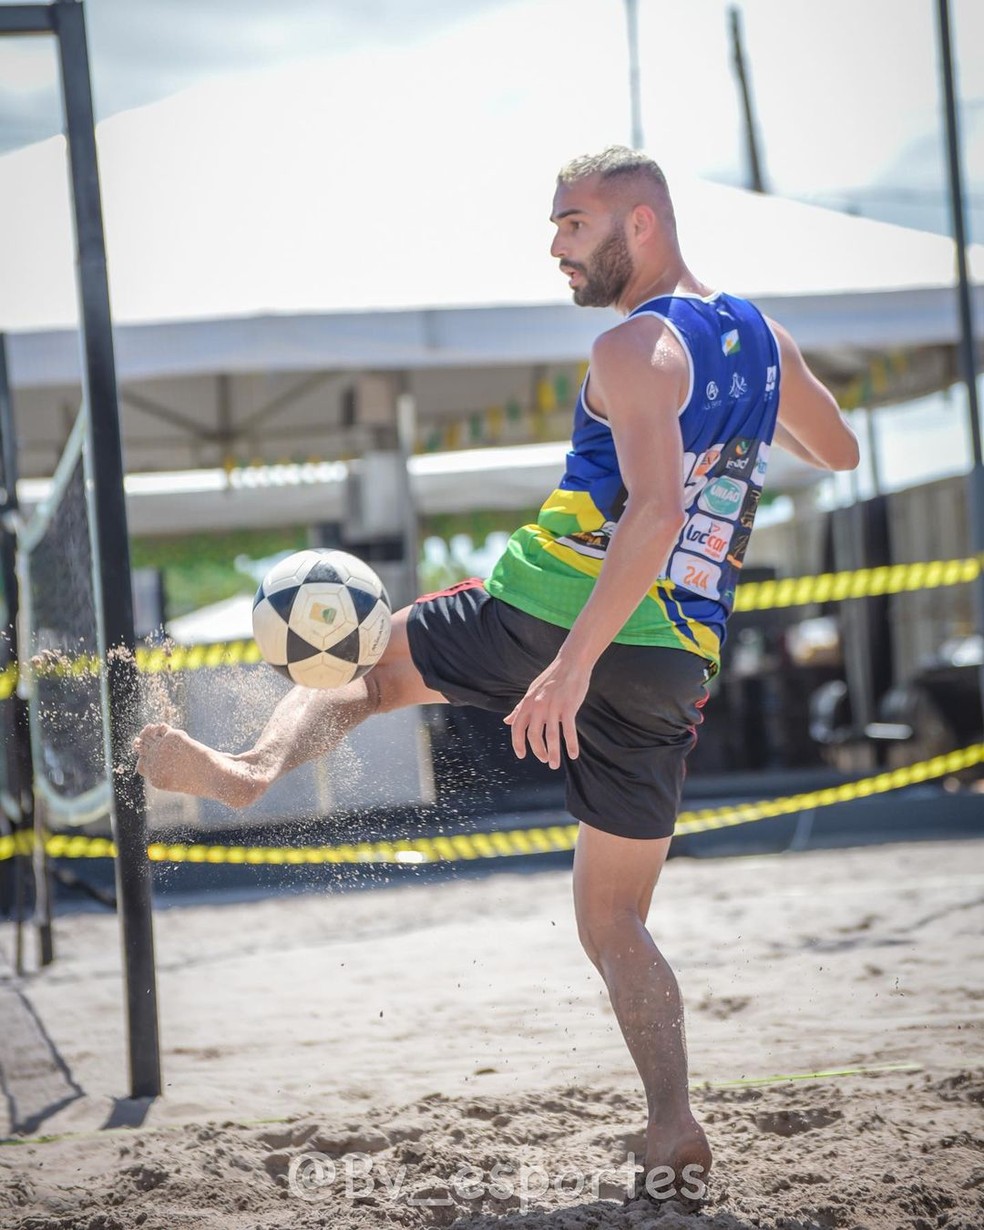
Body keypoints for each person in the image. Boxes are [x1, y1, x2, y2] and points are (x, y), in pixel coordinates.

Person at [134, 146, 859, 1204]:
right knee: (615, 922)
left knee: (375, 677)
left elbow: (651, 511)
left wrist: (566, 666)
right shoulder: (758, 337)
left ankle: (249, 772)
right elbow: (836, 450)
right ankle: (671, 1122)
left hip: (558, 609)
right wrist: (745, 425)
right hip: (673, 657)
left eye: (573, 223)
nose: (557, 246)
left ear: (641, 224)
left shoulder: (632, 347)